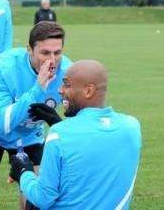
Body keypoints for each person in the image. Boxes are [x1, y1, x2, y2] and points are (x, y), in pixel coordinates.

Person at [10, 60, 142, 210]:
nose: (60, 90)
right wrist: (58, 122)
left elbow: (43, 198)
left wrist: (23, 172)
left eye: (66, 84)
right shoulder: (132, 127)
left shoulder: (59, 134)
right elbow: (95, 148)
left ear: (88, 91)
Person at [0, 21, 72, 210]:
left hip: (29, 135)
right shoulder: (4, 66)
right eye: (45, 53)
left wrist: (57, 122)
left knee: (35, 201)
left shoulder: (68, 73)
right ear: (30, 50)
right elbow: (1, 124)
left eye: (57, 52)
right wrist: (37, 89)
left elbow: (80, 120)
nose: (53, 60)